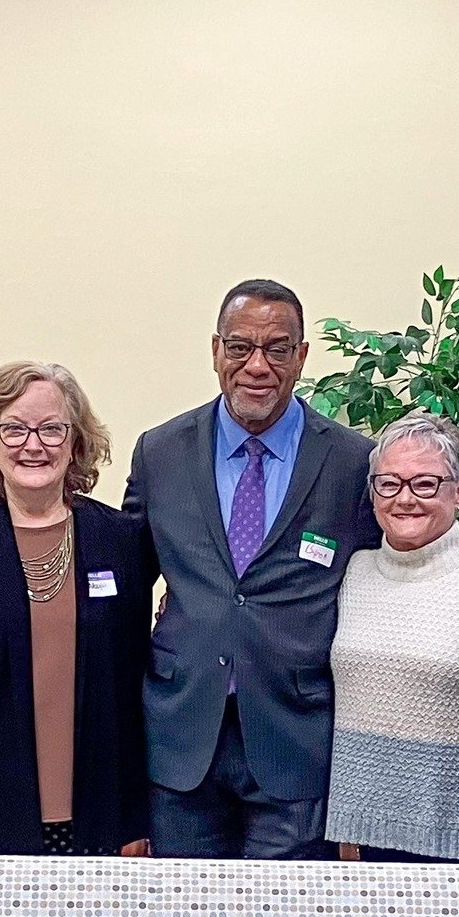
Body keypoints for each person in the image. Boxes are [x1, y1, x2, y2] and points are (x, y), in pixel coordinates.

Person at [122, 278, 380, 859]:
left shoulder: (351, 462)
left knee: (288, 916)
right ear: (215, 351)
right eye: (239, 347)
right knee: (185, 913)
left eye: (277, 349)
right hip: (182, 737)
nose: (257, 366)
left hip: (296, 741)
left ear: (302, 356)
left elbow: (398, 560)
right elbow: (128, 581)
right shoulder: (160, 452)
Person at [0, 361, 150, 855]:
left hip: (100, 817)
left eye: (51, 429)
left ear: (75, 441)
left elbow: (135, 682)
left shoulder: (120, 541)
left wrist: (135, 815)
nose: (33, 445)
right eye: (14, 429)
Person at [326, 414, 459, 863]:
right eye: (389, 484)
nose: (405, 499)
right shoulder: (353, 574)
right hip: (358, 839)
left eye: (425, 484)